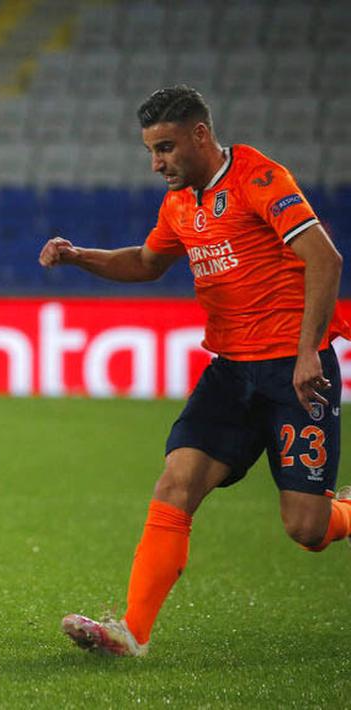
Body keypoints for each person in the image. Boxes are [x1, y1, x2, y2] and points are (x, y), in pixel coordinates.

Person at [39, 85, 351, 657]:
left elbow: (325, 259)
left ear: (200, 135)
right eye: (151, 152)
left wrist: (310, 351)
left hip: (293, 370)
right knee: (175, 483)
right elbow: (147, 263)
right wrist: (81, 255)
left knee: (307, 529)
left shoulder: (258, 178)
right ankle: (130, 633)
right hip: (231, 372)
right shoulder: (180, 203)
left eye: (166, 148)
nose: (158, 163)